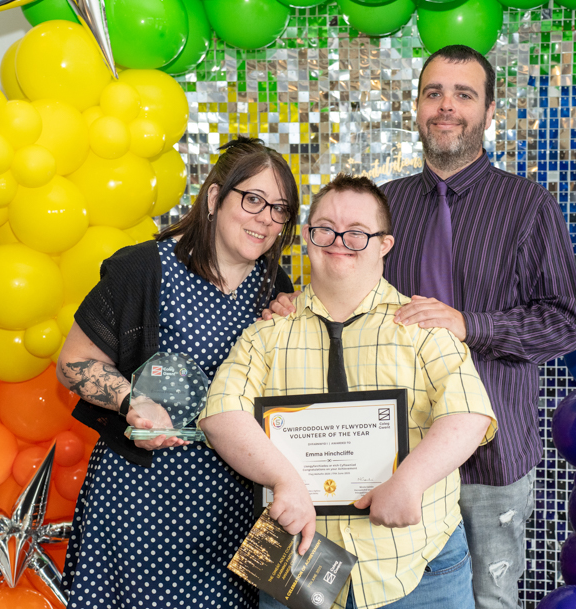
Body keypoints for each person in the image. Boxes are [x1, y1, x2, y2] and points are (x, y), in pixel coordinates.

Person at [267, 46, 576, 608]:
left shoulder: (529, 206)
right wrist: (298, 305)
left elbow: (563, 325)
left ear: (489, 113)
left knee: (488, 598)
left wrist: (470, 325)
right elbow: (343, 289)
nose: (446, 106)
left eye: (464, 94)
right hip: (386, 457)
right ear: (416, 107)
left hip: (493, 458)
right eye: (434, 92)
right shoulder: (383, 206)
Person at [199, 174, 498, 609]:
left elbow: (469, 415)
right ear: (306, 237)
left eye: (358, 232)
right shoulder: (267, 332)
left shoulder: (422, 327)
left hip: (418, 563)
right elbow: (220, 415)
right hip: (295, 556)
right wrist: (284, 481)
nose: (339, 240)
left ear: (384, 245)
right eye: (325, 229)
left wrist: (410, 481)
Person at [55, 136, 300, 609]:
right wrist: (134, 401)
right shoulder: (144, 269)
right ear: (214, 197)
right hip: (142, 502)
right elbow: (73, 364)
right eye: (253, 199)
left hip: (235, 503)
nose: (266, 219)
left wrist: (293, 330)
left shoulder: (275, 285)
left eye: (280, 209)